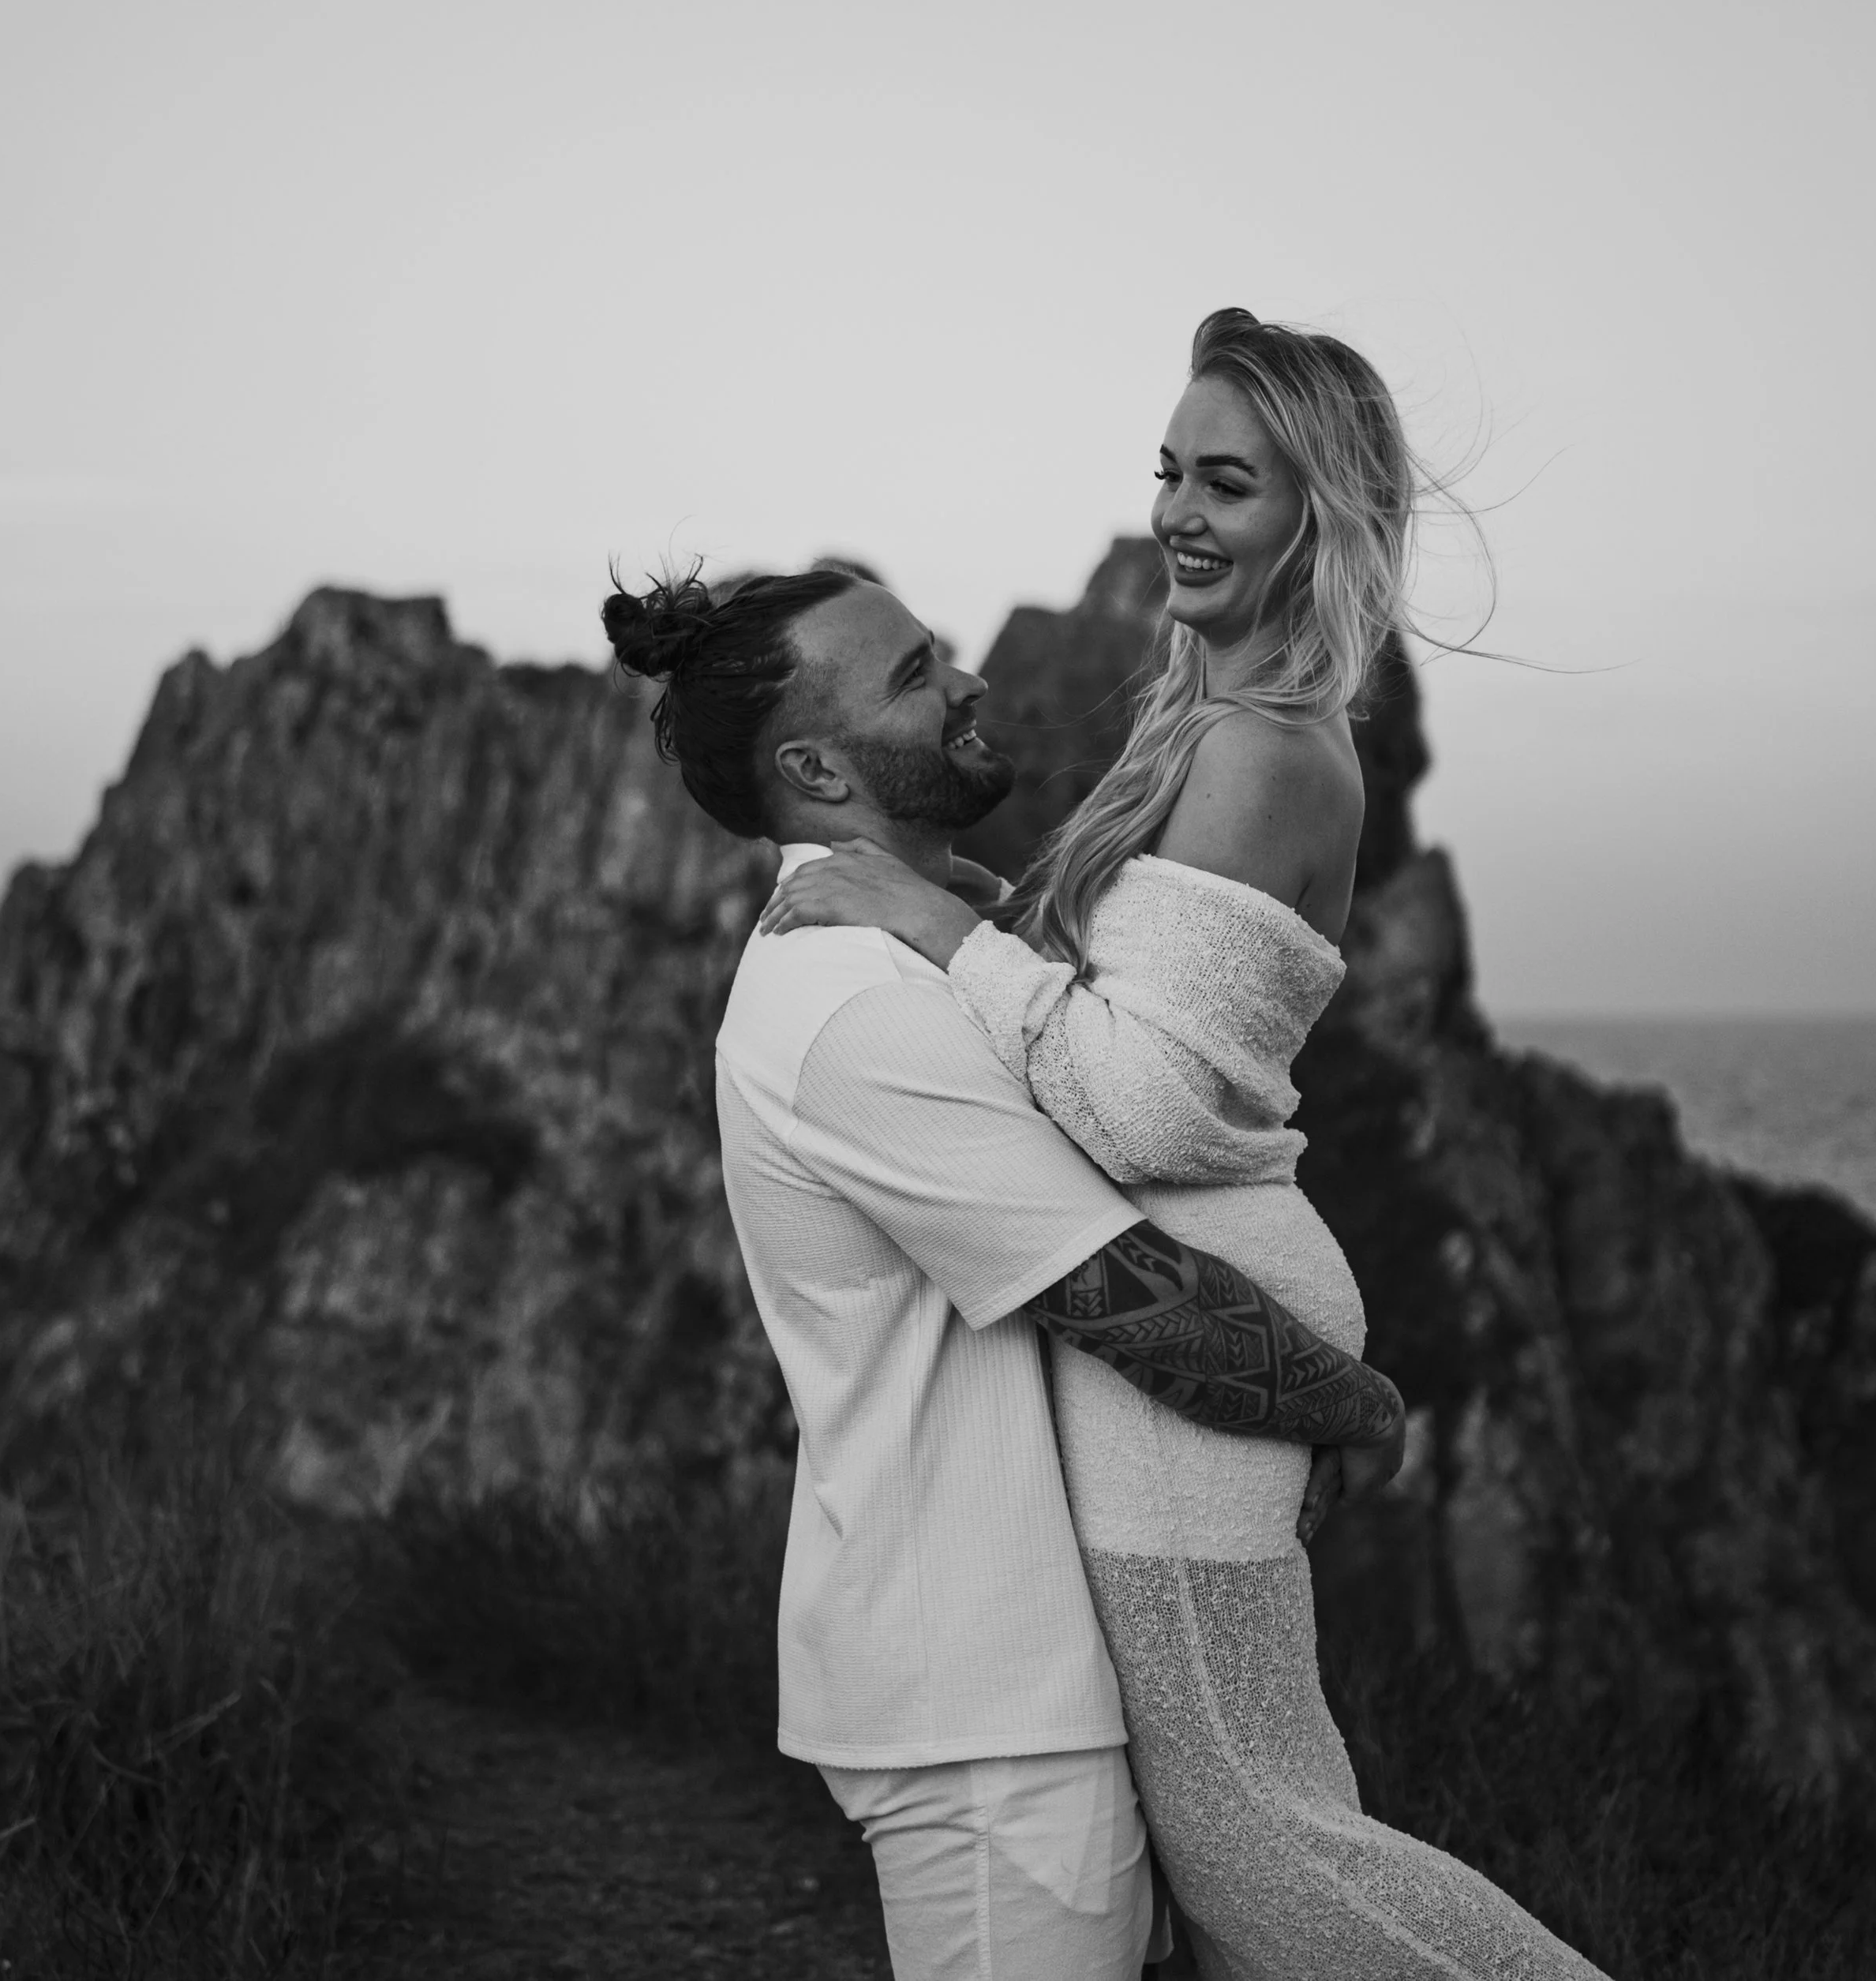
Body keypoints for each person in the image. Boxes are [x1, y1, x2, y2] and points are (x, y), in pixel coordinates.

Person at [760, 309, 1607, 1981]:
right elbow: (1134, 994)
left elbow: (1140, 1109)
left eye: (1226, 482)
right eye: (1168, 470)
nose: (1176, 513)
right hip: (1194, 1314)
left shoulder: (1262, 753)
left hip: (1196, 1314)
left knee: (1254, 1838)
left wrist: (933, 936)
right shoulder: (1204, 728)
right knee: (1242, 1837)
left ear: (1318, 520)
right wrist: (978, 909)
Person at [601, 554, 1409, 1981]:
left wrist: (985, 919)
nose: (967, 678)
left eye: (940, 648)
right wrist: (1356, 1406)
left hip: (1033, 1679)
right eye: (914, 675)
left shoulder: (922, 958)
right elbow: (1134, 1305)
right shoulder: (850, 1006)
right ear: (812, 764)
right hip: (983, 1714)